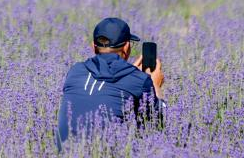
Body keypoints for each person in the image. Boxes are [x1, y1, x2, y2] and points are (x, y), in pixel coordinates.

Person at [57, 17, 164, 147]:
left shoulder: (75, 70)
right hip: (106, 156)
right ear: (126, 47)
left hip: (64, 155)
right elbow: (158, 121)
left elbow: (108, 88)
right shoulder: (138, 80)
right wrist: (155, 86)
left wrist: (131, 73)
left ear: (93, 47)